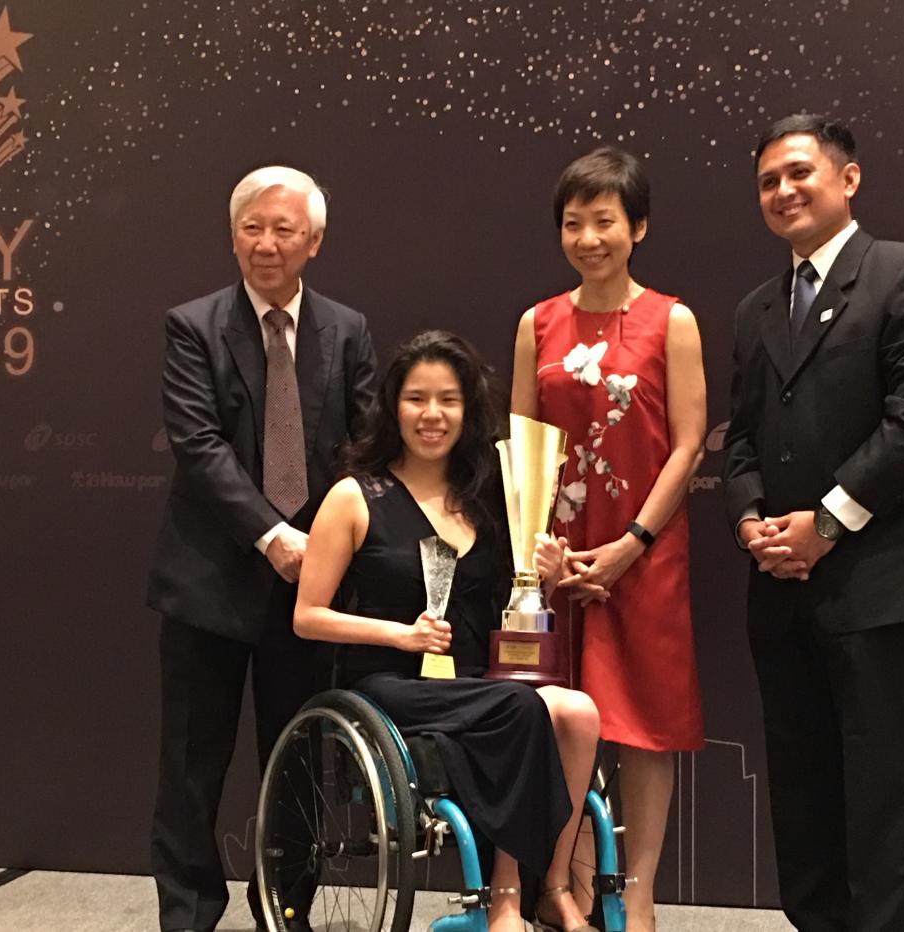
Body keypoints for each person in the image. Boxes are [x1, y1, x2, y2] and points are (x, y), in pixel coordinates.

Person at [722, 113, 904, 931]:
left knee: (881, 789)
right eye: (768, 181)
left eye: (799, 173)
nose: (784, 191)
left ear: (848, 178)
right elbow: (743, 443)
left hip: (878, 581)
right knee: (801, 787)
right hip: (780, 588)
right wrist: (751, 520)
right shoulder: (757, 306)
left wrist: (826, 524)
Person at [295, 330, 603, 932]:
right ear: (393, 406)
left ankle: (558, 885)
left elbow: (512, 597)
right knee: (520, 708)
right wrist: (400, 636)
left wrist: (546, 571)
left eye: (448, 400)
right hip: (389, 683)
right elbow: (307, 617)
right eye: (416, 399)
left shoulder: (490, 495)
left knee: (581, 712)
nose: (432, 415)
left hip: (476, 679)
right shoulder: (355, 496)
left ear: (469, 410)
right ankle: (507, 897)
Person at [146, 165, 377, 932]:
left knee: (299, 759)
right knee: (191, 765)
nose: (266, 243)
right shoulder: (194, 325)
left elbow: (365, 447)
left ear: (314, 241)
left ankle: (286, 909)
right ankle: (187, 913)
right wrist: (276, 535)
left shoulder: (346, 331)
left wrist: (332, 547)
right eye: (252, 227)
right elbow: (199, 446)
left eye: (284, 230)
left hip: (308, 593)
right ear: (232, 235)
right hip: (210, 582)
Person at [510, 147, 706, 932]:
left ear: (638, 226)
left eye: (605, 220)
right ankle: (579, 890)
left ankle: (642, 888)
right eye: (573, 222)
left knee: (647, 726)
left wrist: (631, 543)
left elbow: (689, 445)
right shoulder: (538, 322)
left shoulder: (672, 319)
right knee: (565, 717)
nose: (588, 237)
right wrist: (540, 556)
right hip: (559, 554)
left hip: (644, 552)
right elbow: (523, 441)